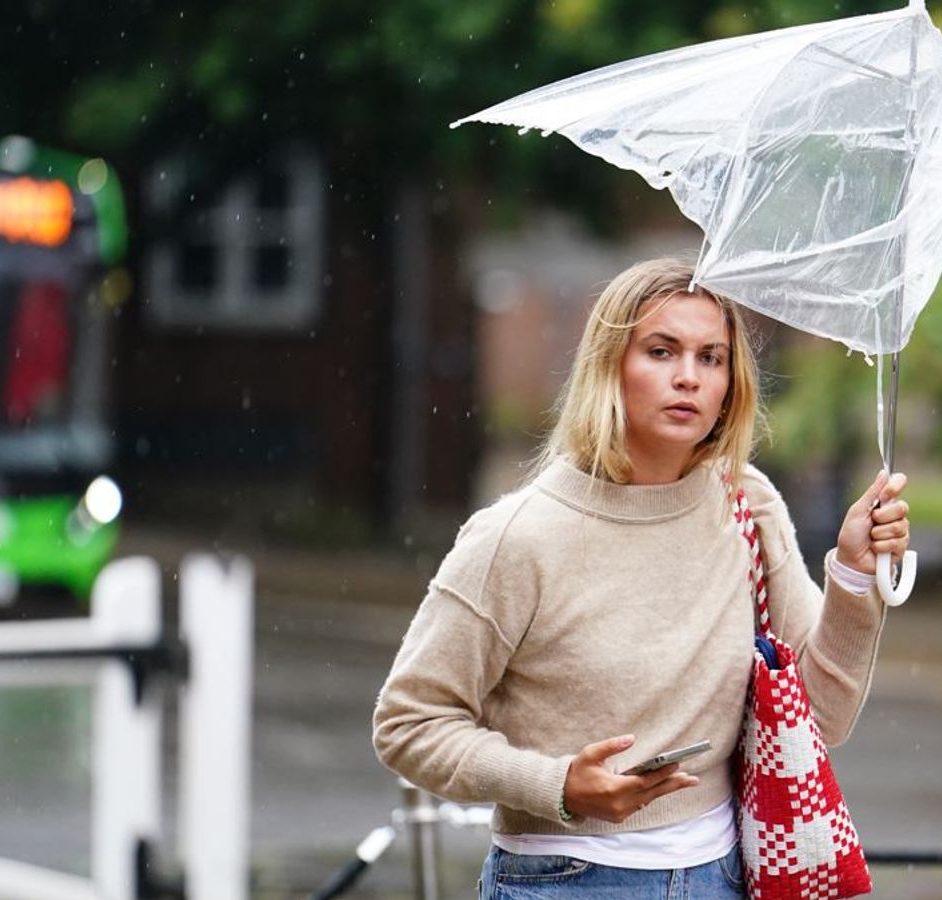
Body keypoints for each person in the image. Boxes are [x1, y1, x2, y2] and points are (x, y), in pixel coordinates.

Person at [372, 258, 910, 899]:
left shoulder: (747, 505)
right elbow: (409, 724)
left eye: (711, 358)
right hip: (565, 879)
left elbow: (821, 719)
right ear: (610, 365)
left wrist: (853, 576)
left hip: (729, 875)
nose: (688, 377)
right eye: (661, 351)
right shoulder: (517, 537)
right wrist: (557, 783)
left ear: (730, 384)